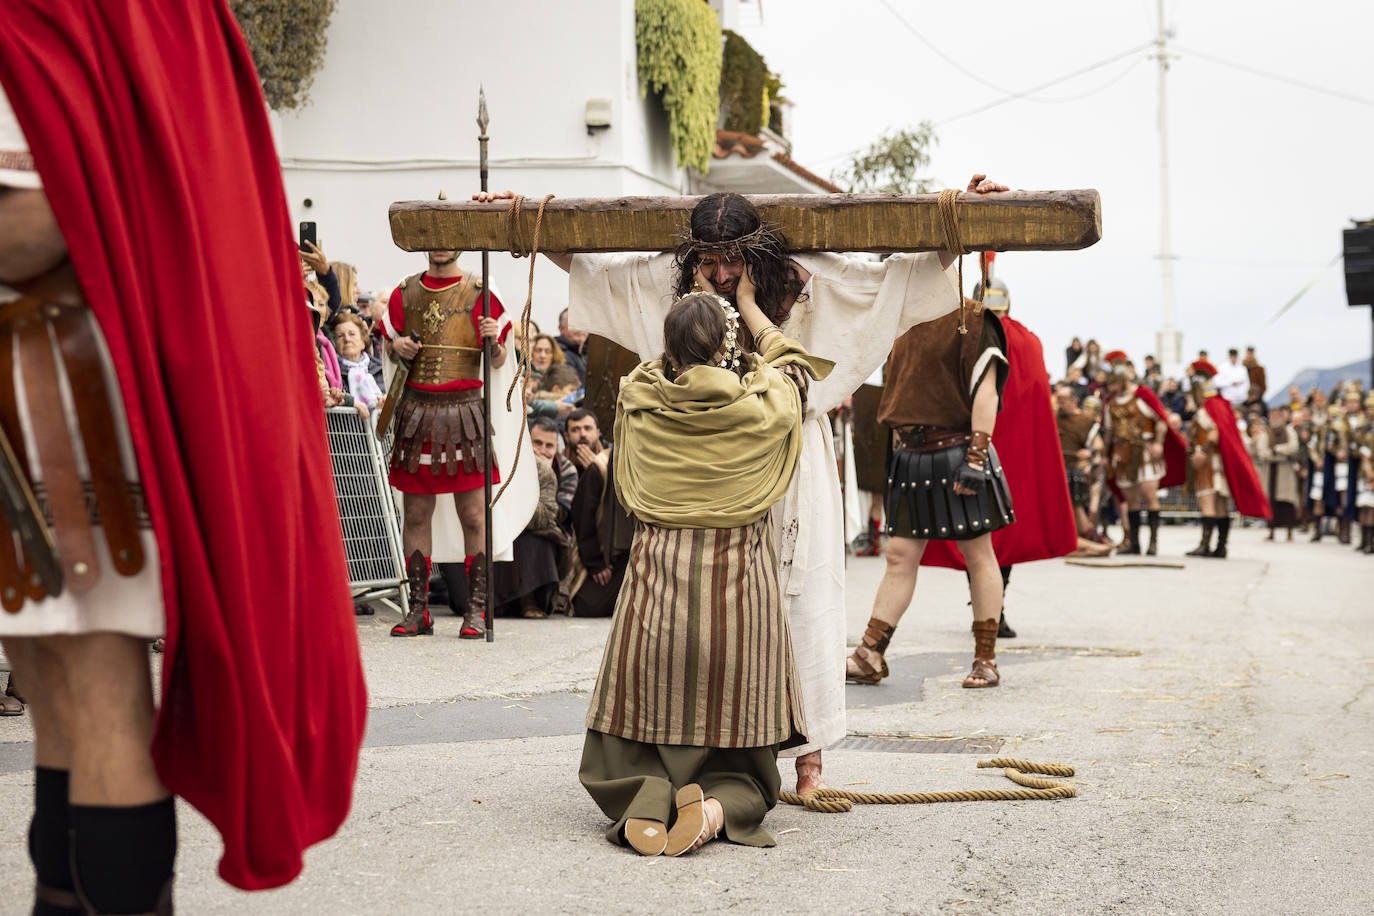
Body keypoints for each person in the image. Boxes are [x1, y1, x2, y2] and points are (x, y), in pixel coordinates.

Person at [0, 2, 366, 909]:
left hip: (62, 387)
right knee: (52, 694)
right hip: (35, 390)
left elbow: (41, 214)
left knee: (97, 692)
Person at [481, 173, 1005, 796]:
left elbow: (896, 284)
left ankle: (808, 760)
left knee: (801, 601)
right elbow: (600, 277)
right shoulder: (676, 285)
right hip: (704, 468)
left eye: (733, 260)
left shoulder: (811, 283)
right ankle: (708, 756)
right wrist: (524, 223)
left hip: (791, 468)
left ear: (758, 257)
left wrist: (963, 217)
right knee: (704, 616)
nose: (722, 273)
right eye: (709, 261)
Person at [579, 274, 833, 856]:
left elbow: (645, 378)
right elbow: (793, 366)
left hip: (656, 589)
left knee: (638, 733)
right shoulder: (768, 404)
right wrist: (749, 309)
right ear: (729, 346)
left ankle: (645, 801)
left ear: (667, 348)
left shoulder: (639, 399)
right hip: (737, 597)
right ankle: (721, 808)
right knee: (744, 762)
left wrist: (686, 341)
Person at [846, 279, 1014, 689]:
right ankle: (870, 654)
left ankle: (986, 659)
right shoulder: (902, 318)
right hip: (911, 456)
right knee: (899, 556)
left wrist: (976, 457)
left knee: (977, 553)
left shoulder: (976, 319)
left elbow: (986, 391)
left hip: (959, 451)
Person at [381, 249, 534, 639]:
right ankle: (419, 611)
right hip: (418, 410)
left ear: (460, 244)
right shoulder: (404, 293)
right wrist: (396, 347)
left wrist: (493, 344)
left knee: (473, 514)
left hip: (464, 413)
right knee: (416, 513)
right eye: (434, 239)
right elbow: (388, 343)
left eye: (448, 238)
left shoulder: (482, 292)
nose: (441, 246)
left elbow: (499, 360)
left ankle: (476, 610)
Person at [920, 271, 1079, 639]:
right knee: (1002, 530)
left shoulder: (966, 333)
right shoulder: (1028, 340)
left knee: (976, 532)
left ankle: (986, 608)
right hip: (1012, 455)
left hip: (971, 446)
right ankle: (996, 610)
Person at [1100, 351, 1187, 556]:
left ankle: (1153, 543)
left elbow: (1160, 422)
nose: (1111, 388)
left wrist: (1158, 443)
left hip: (1145, 451)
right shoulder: (1111, 403)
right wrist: (1105, 454)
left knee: (1150, 497)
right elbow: (1109, 432)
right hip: (1122, 454)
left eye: (1114, 384)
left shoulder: (1142, 396)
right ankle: (1134, 543)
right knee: (1130, 500)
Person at [1184, 359, 1271, 557]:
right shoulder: (1219, 405)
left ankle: (1206, 545)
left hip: (1209, 463)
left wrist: (1201, 452)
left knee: (1207, 501)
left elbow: (1214, 434)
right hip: (1219, 463)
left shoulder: (1210, 407)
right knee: (1221, 504)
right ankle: (1221, 546)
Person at [568, 409, 633, 617]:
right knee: (589, 606)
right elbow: (582, 519)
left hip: (627, 555)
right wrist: (597, 565)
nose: (583, 434)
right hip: (597, 555)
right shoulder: (600, 467)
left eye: (587, 428)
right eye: (576, 430)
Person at [1255, 405, 1301, 541]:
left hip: (1285, 472)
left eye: (1277, 416)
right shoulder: (1265, 433)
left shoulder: (1289, 431)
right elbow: (1262, 451)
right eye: (1272, 416)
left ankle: (1289, 532)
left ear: (1283, 417)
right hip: (1270, 471)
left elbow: (1293, 447)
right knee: (1271, 503)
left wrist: (1277, 450)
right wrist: (1276, 453)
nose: (1275, 419)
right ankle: (1271, 531)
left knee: (1287, 502)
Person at [333, 311, 385, 412]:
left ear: (363, 342)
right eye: (340, 336)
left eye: (352, 334)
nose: (347, 339)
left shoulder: (378, 368)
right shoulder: (333, 372)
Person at [556, 307, 589, 382]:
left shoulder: (590, 354)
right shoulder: (556, 353)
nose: (580, 329)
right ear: (561, 328)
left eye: (583, 324)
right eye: (574, 325)